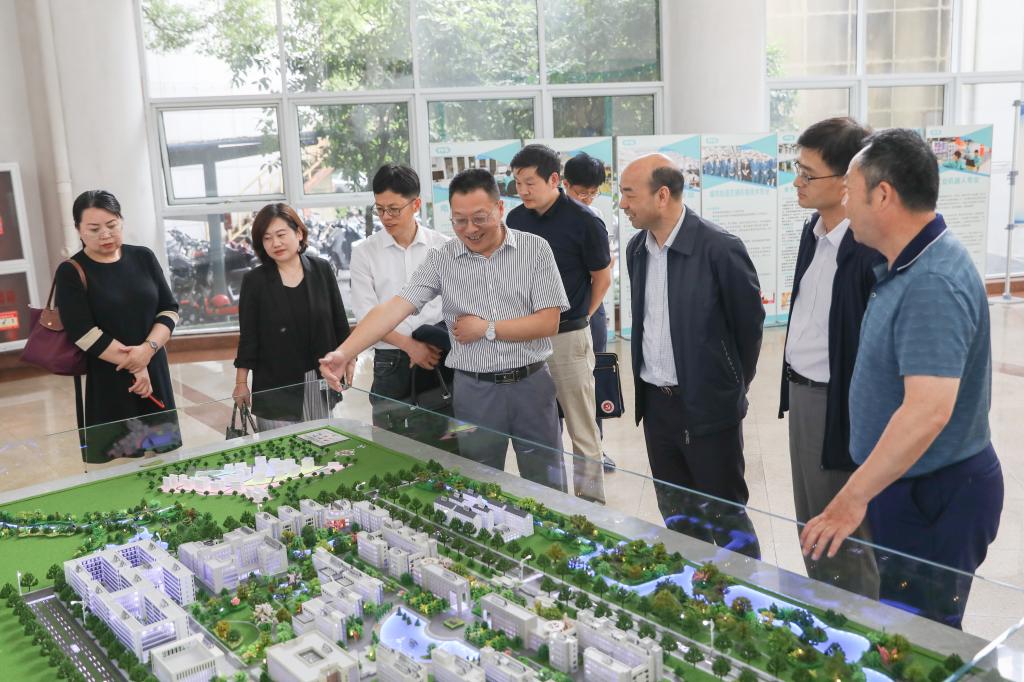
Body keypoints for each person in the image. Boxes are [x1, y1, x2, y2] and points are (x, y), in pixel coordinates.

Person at [800, 128, 1004, 628]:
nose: (845, 203)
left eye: (850, 190)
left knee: (920, 636)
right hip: (910, 485)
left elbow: (927, 411)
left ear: (883, 195)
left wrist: (851, 499)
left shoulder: (932, 281)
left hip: (935, 494)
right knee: (902, 627)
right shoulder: (906, 264)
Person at [320, 168, 570, 492]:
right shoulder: (442, 258)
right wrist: (345, 352)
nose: (470, 229)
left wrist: (486, 328)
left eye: (479, 218)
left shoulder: (535, 249)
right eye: (459, 220)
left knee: (548, 484)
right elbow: (393, 308)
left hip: (531, 385)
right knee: (480, 487)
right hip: (475, 391)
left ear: (499, 209)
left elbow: (548, 322)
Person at [621, 154, 764, 558]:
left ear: (662, 195)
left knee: (725, 516)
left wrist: (727, 385)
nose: (623, 204)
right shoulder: (637, 250)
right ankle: (695, 586)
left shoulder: (719, 248)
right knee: (678, 516)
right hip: (657, 406)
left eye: (629, 194)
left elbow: (749, 328)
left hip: (707, 407)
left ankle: (745, 590)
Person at [778, 117, 882, 598]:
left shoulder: (867, 251)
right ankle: (824, 608)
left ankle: (856, 621)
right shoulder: (813, 232)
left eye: (807, 173)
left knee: (842, 533)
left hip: (839, 404)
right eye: (796, 170)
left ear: (847, 180)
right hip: (802, 393)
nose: (797, 182)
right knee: (811, 521)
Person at [507, 145, 611, 503]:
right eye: (518, 182)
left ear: (554, 179)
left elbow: (602, 278)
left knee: (583, 428)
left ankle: (591, 506)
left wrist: (581, 317)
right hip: (527, 338)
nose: (522, 190)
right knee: (539, 426)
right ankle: (550, 500)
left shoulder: (585, 221)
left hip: (568, 337)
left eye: (529, 182)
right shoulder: (515, 220)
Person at [55, 190, 181, 462]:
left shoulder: (143, 257)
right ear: (78, 229)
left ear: (121, 221)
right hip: (111, 380)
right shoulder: (71, 271)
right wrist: (136, 364)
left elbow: (169, 309)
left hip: (154, 371)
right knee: (122, 462)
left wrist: (146, 351)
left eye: (111, 225)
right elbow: (82, 332)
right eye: (94, 229)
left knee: (166, 462)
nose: (105, 234)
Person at [234, 203, 350, 430]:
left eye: (281, 234)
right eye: (267, 238)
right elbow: (249, 337)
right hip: (275, 385)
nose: (275, 243)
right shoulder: (254, 281)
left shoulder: (322, 270)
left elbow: (340, 322)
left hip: (318, 379)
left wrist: (348, 360)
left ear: (299, 233)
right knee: (283, 450)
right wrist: (241, 383)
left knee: (322, 444)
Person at [350, 164, 449, 431]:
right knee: (390, 439)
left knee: (443, 439)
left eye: (394, 209)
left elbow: (456, 305)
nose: (386, 217)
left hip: (438, 354)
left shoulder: (442, 246)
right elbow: (366, 316)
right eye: (380, 209)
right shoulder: (364, 252)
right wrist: (410, 346)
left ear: (415, 204)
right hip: (390, 360)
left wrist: (428, 344)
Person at [563, 152, 618, 471]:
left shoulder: (595, 218)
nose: (586, 198)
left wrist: (586, 314)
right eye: (581, 192)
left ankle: (596, 448)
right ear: (564, 184)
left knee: (592, 378)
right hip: (554, 314)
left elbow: (604, 271)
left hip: (589, 309)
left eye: (592, 193)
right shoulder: (547, 218)